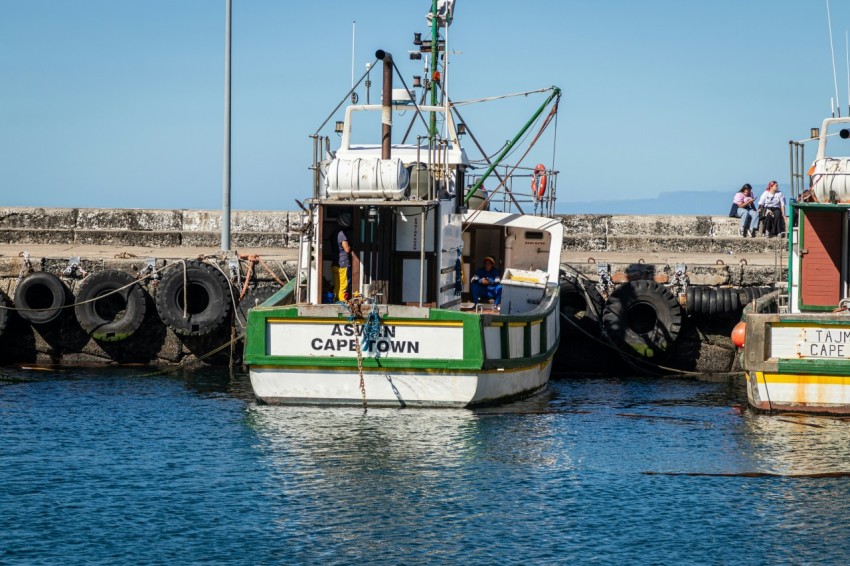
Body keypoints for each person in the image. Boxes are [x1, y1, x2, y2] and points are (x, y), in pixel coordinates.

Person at [332, 212, 352, 301]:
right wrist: (351, 248)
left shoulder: (334, 233)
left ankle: (335, 300)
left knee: (337, 285)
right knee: (343, 285)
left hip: (335, 263)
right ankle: (342, 302)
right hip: (343, 264)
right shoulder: (342, 234)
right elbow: (347, 249)